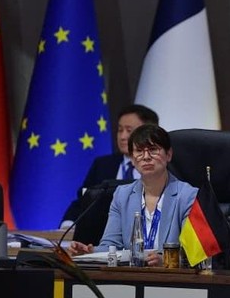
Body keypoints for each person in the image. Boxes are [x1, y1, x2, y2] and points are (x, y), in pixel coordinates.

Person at [68, 124, 197, 267]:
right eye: (139, 151)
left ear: (169, 154)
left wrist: (166, 261)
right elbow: (111, 245)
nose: (146, 157)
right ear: (132, 158)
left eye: (153, 150)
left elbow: (194, 253)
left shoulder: (187, 196)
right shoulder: (122, 195)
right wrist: (89, 252)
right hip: (131, 277)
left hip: (172, 281)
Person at [60, 104, 159, 228]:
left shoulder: (161, 167)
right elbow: (83, 200)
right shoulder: (103, 165)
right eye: (120, 130)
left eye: (129, 130)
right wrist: (68, 224)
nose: (122, 136)